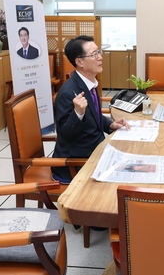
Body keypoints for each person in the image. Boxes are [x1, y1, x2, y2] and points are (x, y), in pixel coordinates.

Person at [52, 35, 129, 182]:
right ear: (79, 62)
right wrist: (77, 113)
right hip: (77, 163)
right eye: (94, 54)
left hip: (96, 151)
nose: (100, 57)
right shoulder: (68, 92)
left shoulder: (90, 83)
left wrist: (110, 124)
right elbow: (65, 135)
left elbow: (93, 116)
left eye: (99, 52)